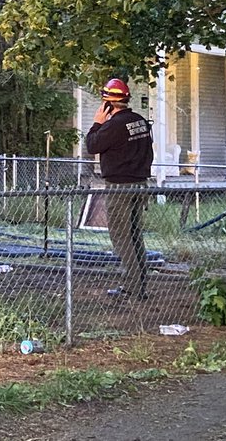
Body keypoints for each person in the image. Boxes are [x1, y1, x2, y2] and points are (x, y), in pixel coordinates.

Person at [86, 77, 154, 300]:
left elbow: (92, 145)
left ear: (107, 103)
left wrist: (97, 123)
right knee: (135, 235)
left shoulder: (114, 125)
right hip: (140, 185)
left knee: (121, 236)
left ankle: (134, 288)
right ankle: (141, 282)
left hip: (119, 187)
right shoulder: (140, 121)